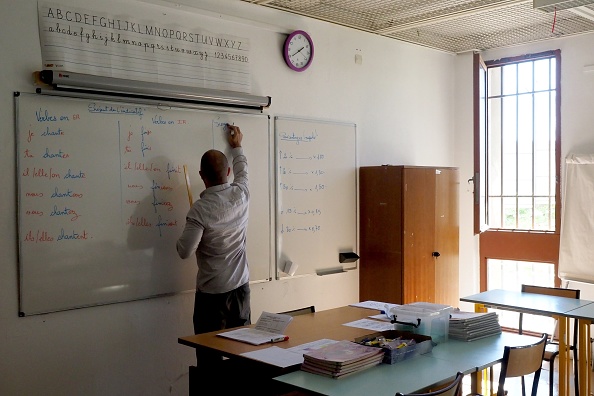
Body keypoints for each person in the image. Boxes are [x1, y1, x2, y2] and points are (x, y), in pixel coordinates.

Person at [176, 124, 251, 366]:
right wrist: (237, 146)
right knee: (242, 356)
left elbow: (184, 251)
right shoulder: (241, 194)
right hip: (240, 290)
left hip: (212, 299)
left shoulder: (200, 210)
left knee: (210, 364)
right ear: (228, 171)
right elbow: (244, 170)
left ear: (201, 176)